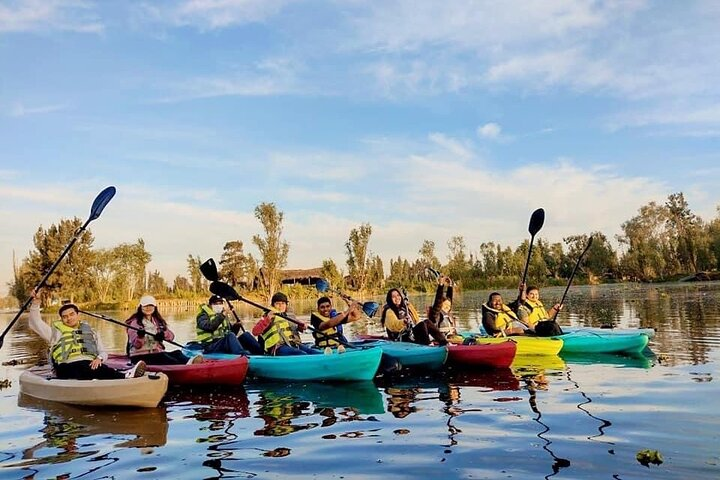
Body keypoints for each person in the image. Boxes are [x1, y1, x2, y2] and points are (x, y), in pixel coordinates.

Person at [27, 291, 145, 379]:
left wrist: (99, 358)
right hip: (65, 367)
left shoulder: (91, 332)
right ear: (61, 319)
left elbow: (103, 352)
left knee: (97, 367)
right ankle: (124, 376)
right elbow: (35, 323)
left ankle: (120, 376)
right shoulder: (55, 332)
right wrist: (36, 303)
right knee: (83, 366)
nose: (69, 318)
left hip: (89, 365)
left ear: (78, 315)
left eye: (72, 314)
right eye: (65, 317)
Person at [126, 295, 203, 365]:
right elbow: (137, 345)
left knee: (177, 353)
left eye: (151, 305)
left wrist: (163, 334)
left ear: (155, 307)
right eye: (145, 306)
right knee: (163, 356)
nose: (148, 308)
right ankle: (185, 366)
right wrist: (140, 336)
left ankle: (190, 362)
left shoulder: (157, 321)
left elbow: (171, 337)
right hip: (140, 356)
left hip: (155, 353)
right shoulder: (135, 322)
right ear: (140, 307)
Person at [251, 292, 320, 355]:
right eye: (277, 303)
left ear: (286, 305)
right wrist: (268, 319)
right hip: (277, 347)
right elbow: (255, 332)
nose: (280, 306)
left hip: (293, 344)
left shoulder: (288, 316)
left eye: (283, 303)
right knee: (301, 354)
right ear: (273, 305)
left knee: (313, 352)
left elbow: (296, 328)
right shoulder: (267, 316)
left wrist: (302, 327)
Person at [380, 288, 447, 346]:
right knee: (422, 324)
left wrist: (424, 330)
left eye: (398, 295)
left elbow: (417, 320)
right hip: (401, 339)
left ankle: (444, 342)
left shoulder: (406, 307)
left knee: (427, 322)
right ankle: (427, 345)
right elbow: (393, 325)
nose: (397, 298)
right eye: (393, 297)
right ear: (390, 299)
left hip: (411, 335)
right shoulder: (389, 311)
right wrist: (403, 322)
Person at [427, 275, 464, 344]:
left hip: (452, 338)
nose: (448, 307)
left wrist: (450, 286)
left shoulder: (448, 313)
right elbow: (438, 300)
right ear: (440, 305)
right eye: (445, 305)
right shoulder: (436, 314)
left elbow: (450, 298)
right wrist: (441, 285)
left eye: (449, 305)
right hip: (442, 340)